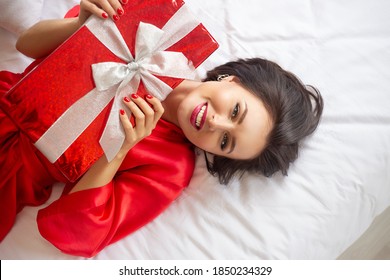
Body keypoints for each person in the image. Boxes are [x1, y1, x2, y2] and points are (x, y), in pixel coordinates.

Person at [0, 0, 323, 257]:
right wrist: (80, 25)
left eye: (225, 141)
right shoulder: (160, 31)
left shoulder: (170, 167)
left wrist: (119, 148)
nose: (215, 123)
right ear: (232, 80)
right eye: (235, 110)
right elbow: (27, 45)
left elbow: (77, 231)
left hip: (10, 176)